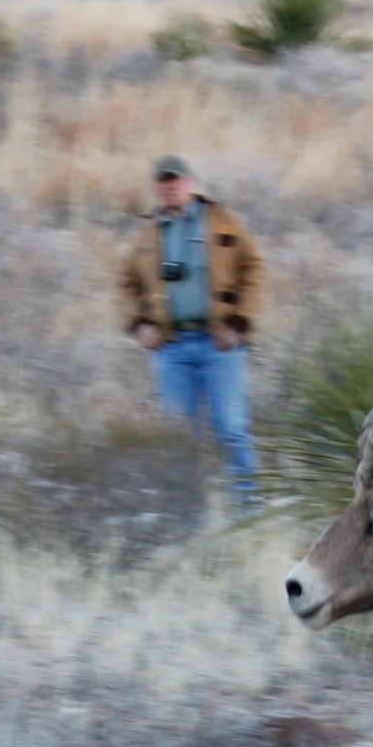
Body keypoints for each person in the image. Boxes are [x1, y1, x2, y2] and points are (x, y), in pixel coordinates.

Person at [119, 154, 266, 506]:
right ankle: (189, 516)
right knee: (180, 437)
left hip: (220, 345)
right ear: (156, 187)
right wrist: (139, 324)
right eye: (162, 182)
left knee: (231, 430)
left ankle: (249, 514)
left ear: (191, 182)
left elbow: (255, 268)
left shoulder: (222, 221)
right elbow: (126, 283)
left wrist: (238, 321)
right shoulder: (147, 233)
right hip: (171, 349)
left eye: (176, 180)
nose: (169, 187)